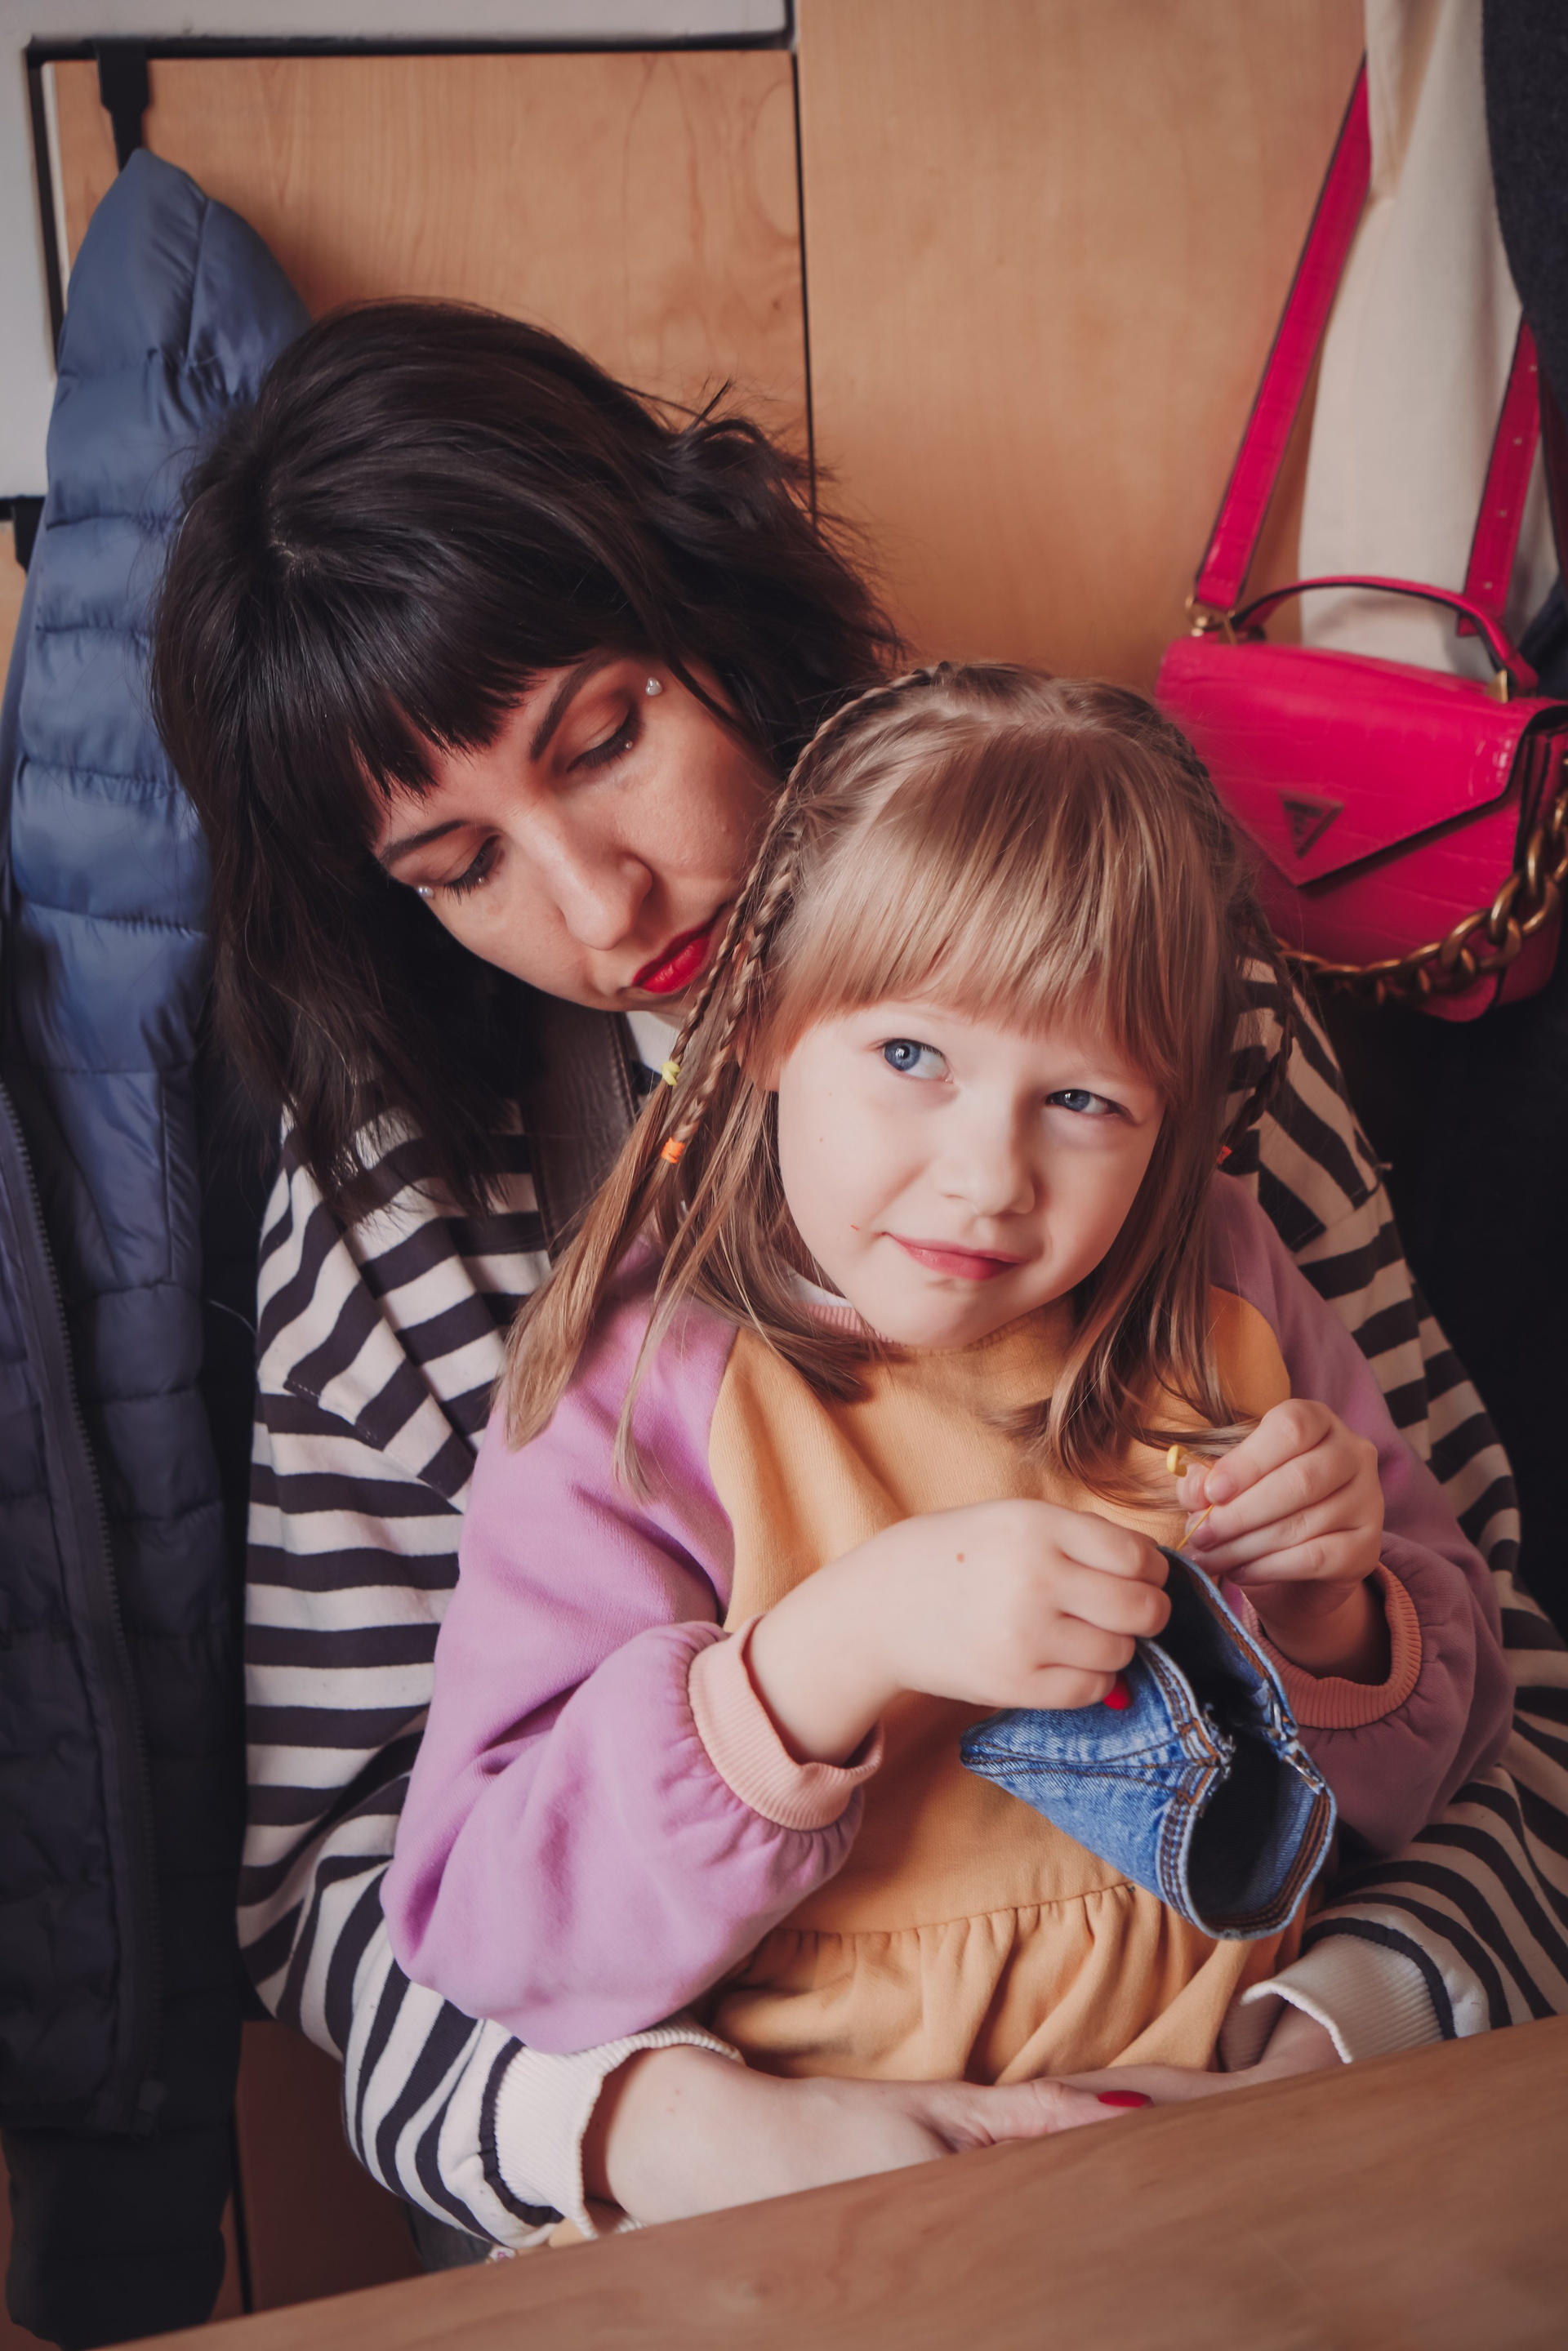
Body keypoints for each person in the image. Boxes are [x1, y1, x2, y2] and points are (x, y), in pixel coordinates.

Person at [151, 303, 1568, 2250]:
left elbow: (1501, 1675)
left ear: (720, 617)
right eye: (458, 866)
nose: (598, 902)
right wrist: (700, 2142)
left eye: (606, 741)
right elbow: (354, 1887)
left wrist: (1326, 2045)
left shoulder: (1152, 1000)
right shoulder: (410, 1216)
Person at [382, 666, 1509, 2114]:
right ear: (762, 1022)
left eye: (1083, 1100)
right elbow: (493, 1933)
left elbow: (1446, 1772)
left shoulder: (1223, 1283)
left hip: (1225, 2144)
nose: (987, 1179)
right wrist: (828, 1655)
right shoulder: (641, 1391)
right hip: (849, 2194)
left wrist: (1335, 1618)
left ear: (1168, 1120)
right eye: (911, 1054)